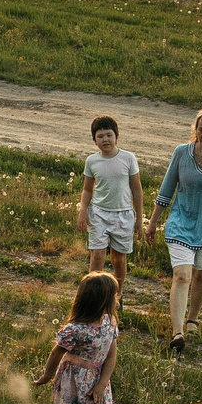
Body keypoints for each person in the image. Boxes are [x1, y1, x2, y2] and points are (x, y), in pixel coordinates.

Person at [143, 107, 202, 353]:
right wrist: (153, 222)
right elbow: (167, 188)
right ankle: (177, 332)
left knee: (201, 275)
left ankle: (192, 317)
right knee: (182, 276)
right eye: (201, 129)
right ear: (195, 129)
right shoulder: (181, 152)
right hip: (181, 223)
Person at [38, 271, 122, 404]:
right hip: (73, 380)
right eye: (114, 295)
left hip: (97, 379)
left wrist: (102, 384)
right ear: (101, 300)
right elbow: (56, 352)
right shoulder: (75, 330)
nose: (117, 298)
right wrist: (47, 375)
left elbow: (110, 356)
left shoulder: (109, 323)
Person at [75, 114, 143, 297]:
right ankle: (91, 297)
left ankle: (117, 296)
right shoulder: (92, 161)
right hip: (98, 214)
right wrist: (83, 210)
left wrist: (139, 219)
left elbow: (136, 189)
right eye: (100, 136)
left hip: (123, 215)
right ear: (95, 140)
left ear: (116, 136)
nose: (105, 139)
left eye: (109, 135)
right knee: (97, 256)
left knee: (119, 260)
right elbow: (87, 189)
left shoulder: (128, 158)